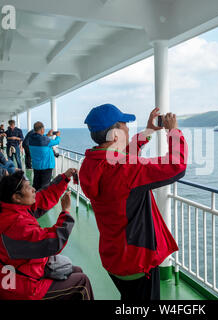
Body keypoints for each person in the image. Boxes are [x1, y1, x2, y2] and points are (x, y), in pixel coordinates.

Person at [79, 104, 187, 300]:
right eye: (124, 125)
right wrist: (173, 131)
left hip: (114, 257)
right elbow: (176, 166)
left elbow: (122, 156)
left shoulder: (90, 164)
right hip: (136, 260)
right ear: (114, 134)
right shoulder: (124, 169)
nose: (128, 129)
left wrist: (148, 131)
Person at [0, 169, 94, 300]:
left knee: (77, 270)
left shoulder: (10, 209)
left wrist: (64, 178)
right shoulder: (15, 225)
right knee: (82, 282)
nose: (34, 189)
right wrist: (65, 213)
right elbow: (53, 242)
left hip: (20, 273)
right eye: (29, 188)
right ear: (16, 197)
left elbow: (43, 197)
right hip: (18, 289)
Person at [28, 121, 61, 190]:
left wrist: (48, 135)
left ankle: (35, 199)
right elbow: (56, 142)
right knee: (45, 186)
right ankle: (42, 200)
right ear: (42, 129)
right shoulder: (45, 140)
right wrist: (58, 136)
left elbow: (40, 138)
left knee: (36, 184)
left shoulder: (31, 138)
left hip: (36, 166)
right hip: (46, 166)